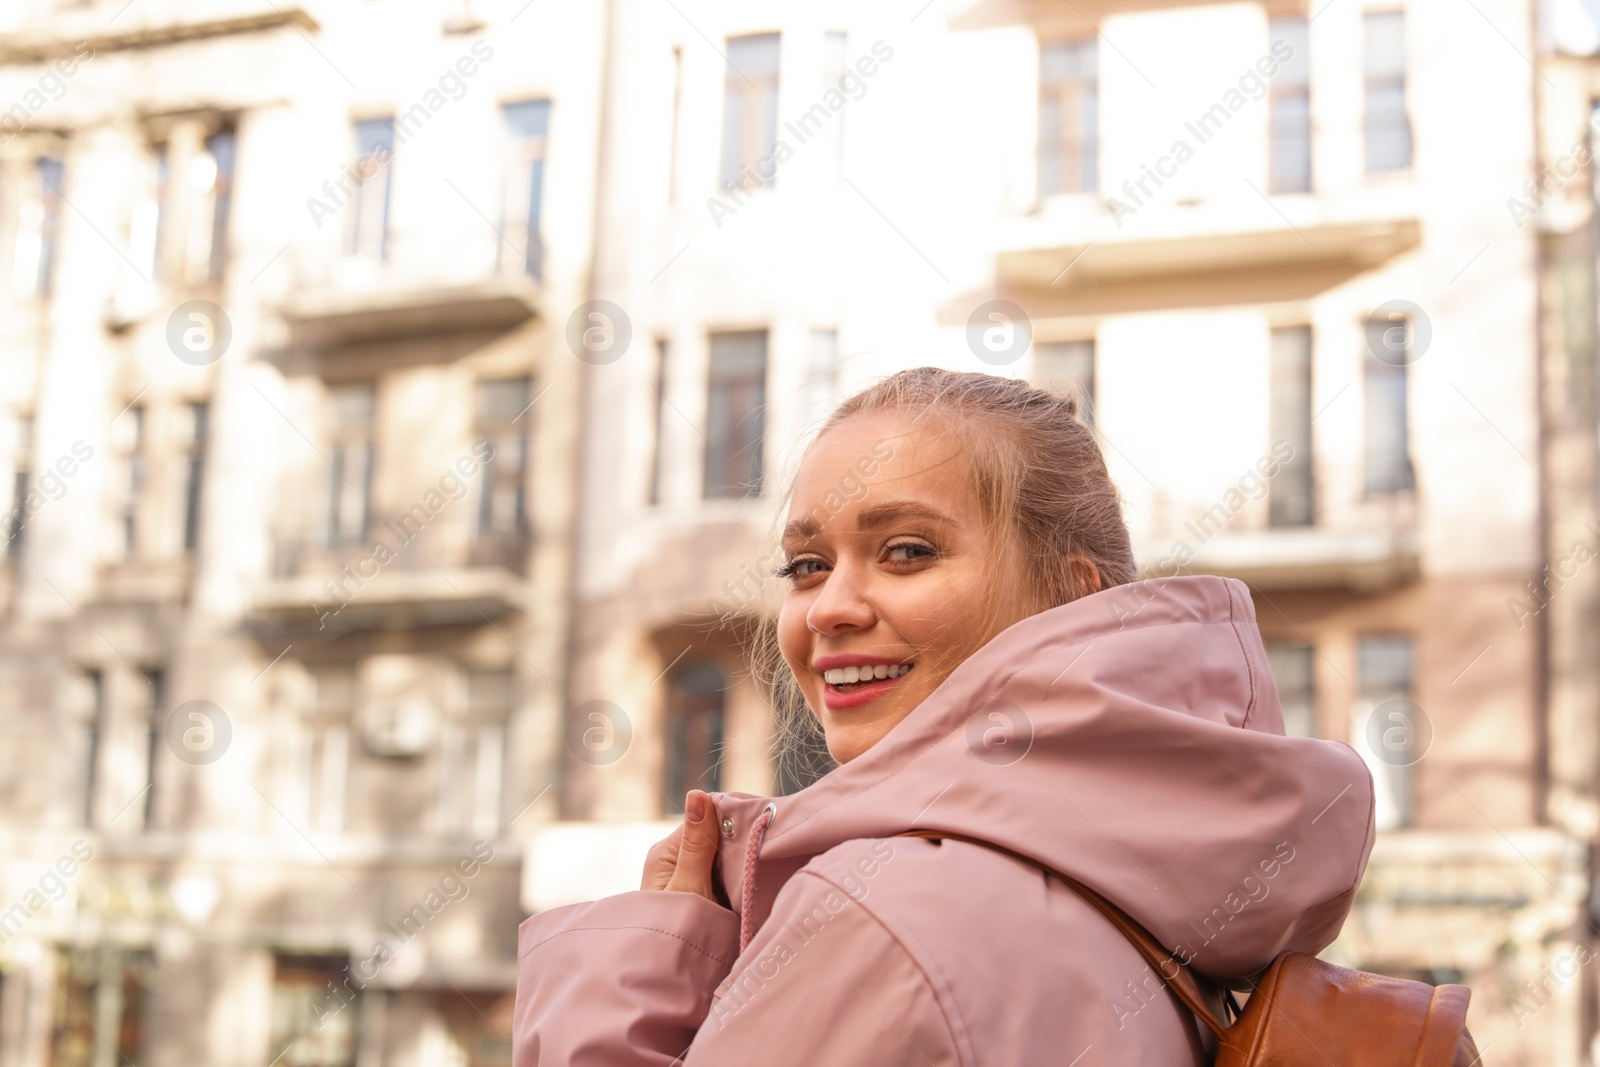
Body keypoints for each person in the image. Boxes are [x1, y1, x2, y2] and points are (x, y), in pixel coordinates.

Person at [513, 367, 1375, 1065]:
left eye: (908, 551)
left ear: (1072, 595)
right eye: (807, 565)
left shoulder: (882, 916)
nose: (829, 609)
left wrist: (626, 982)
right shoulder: (1176, 906)